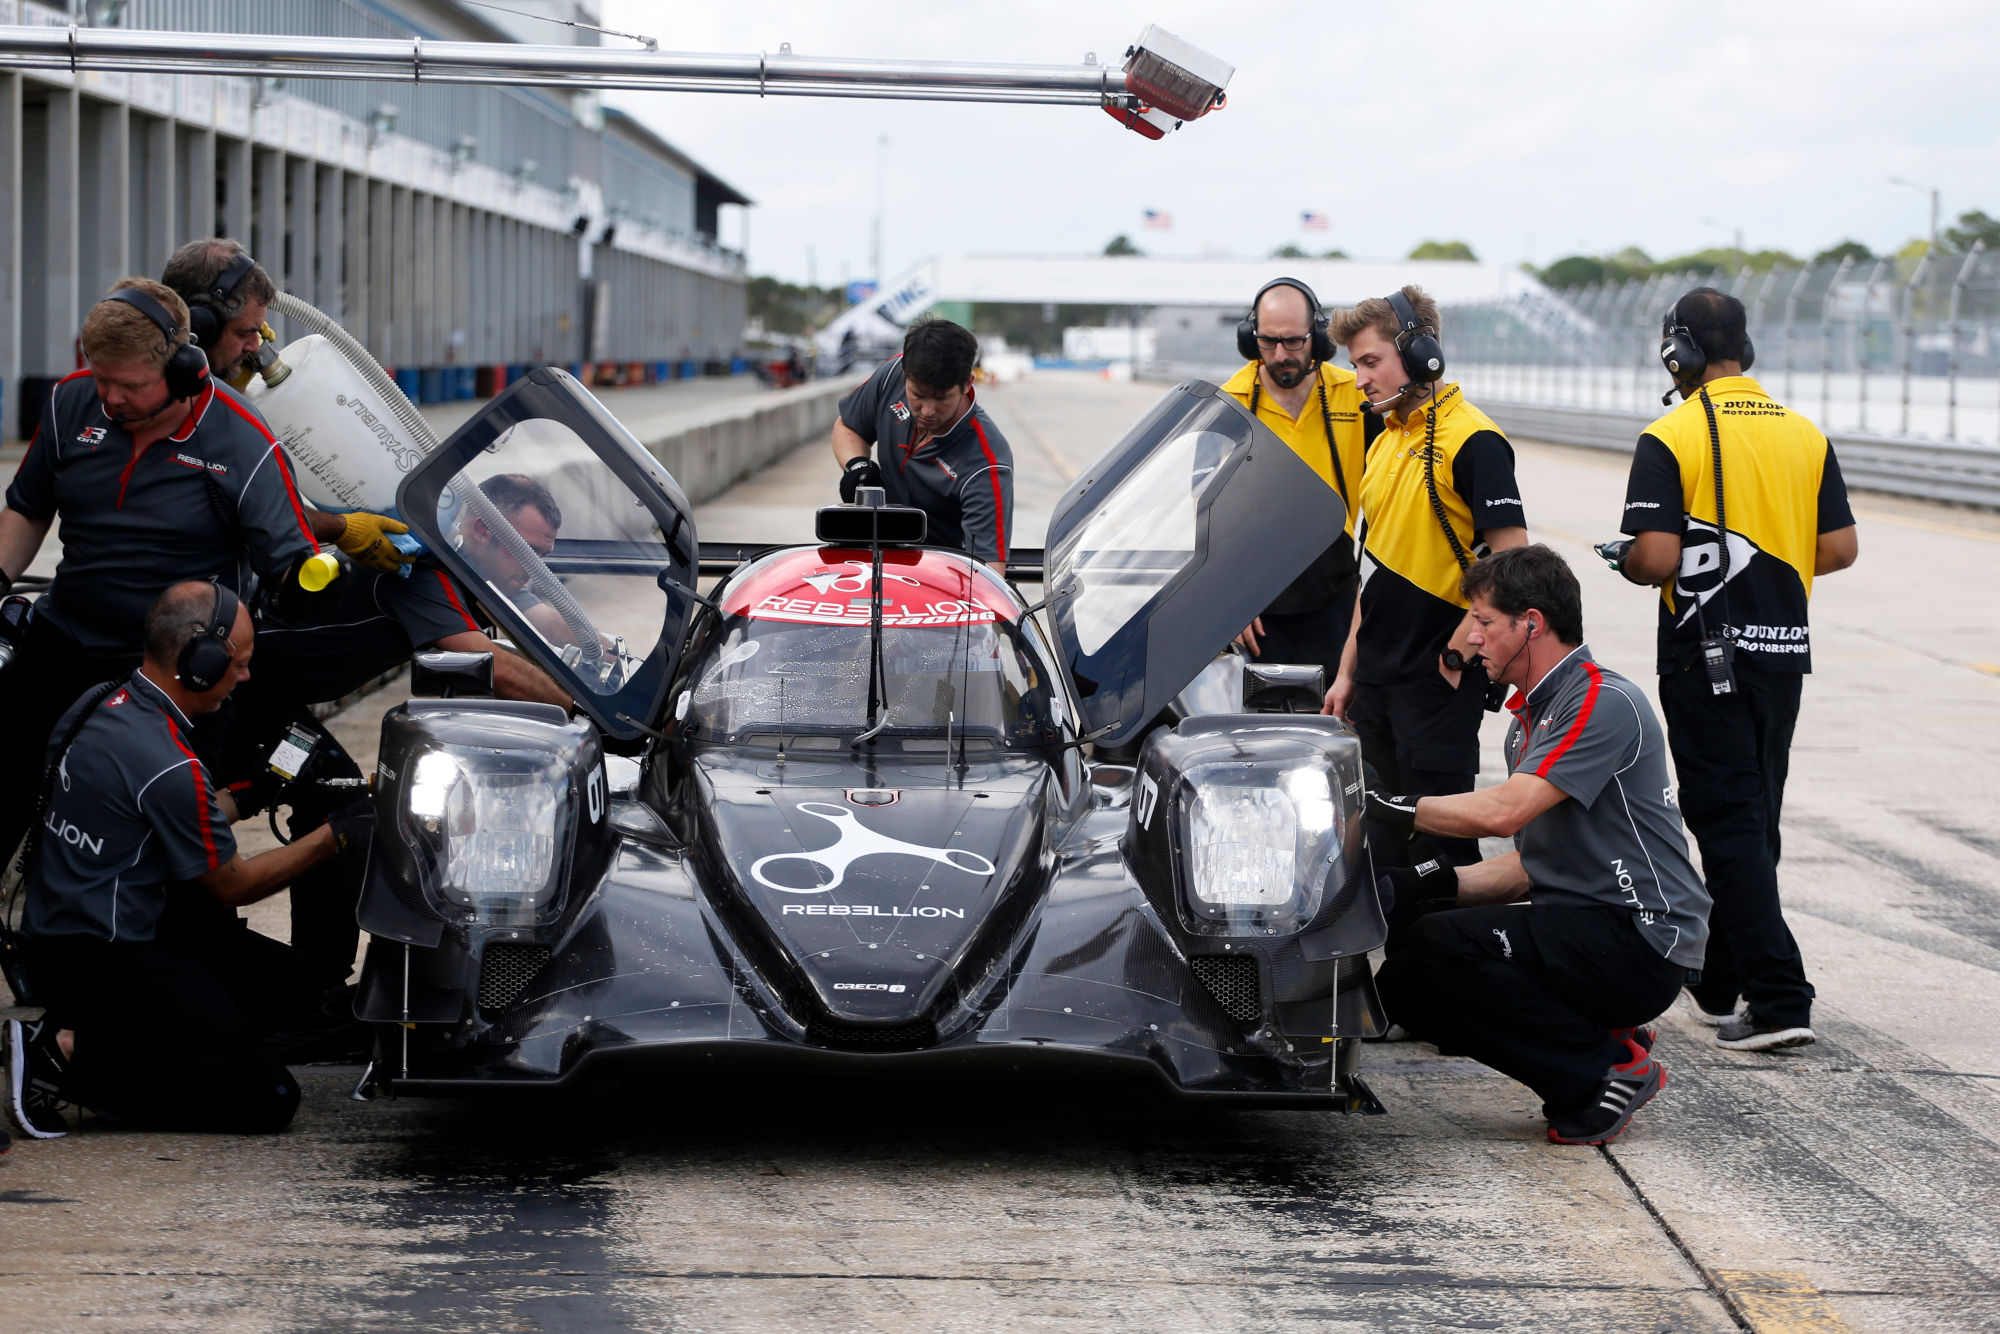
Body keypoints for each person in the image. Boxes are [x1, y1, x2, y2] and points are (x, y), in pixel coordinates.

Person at [1, 582, 371, 1139]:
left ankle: (162, 1037)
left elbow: (164, 814)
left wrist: (253, 792)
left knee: (303, 993)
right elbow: (233, 885)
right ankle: (60, 1056)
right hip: (110, 955)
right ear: (200, 664)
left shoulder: (102, 702)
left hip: (66, 932)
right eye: (239, 665)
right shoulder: (169, 763)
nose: (245, 677)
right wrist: (339, 834)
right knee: (267, 1099)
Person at [1368, 545, 1709, 1146]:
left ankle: (1598, 1073)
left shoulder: (1599, 700)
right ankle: (1598, 1040)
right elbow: (1529, 867)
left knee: (1444, 949)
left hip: (1642, 937)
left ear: (1531, 624)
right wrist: (1414, 885)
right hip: (1586, 924)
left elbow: (1504, 813)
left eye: (1483, 621)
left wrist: (1393, 807)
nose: (1472, 638)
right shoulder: (1533, 719)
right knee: (1405, 982)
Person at [1596, 287, 1857, 1052]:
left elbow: (1657, 557)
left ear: (1679, 353)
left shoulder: (1672, 433)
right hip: (1783, 653)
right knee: (1754, 816)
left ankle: (1780, 997)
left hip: (1704, 649)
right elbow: (1838, 549)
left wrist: (1631, 562)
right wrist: (1769, 566)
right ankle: (1719, 975)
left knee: (1726, 819)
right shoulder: (1804, 434)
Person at [0, 279, 329, 862]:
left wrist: (305, 581)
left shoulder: (243, 440)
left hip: (169, 676)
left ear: (183, 373)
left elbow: (291, 564)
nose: (108, 398)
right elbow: (27, 508)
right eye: (99, 377)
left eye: (127, 385)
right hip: (65, 640)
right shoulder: (69, 402)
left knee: (161, 846)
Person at [1322, 286, 1529, 867]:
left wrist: (1458, 660)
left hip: (1437, 684)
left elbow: (1514, 563)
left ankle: (1458, 957)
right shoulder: (1385, 441)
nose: (1359, 379)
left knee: (1443, 846)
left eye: (1370, 362)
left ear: (1420, 356)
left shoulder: (1475, 439)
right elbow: (1373, 568)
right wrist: (1346, 673)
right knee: (1375, 845)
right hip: (1376, 686)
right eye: (1354, 365)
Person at [160, 238, 412, 576]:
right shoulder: (150, 399)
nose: (256, 344)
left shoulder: (201, 394)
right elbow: (243, 507)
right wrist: (340, 527)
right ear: (200, 326)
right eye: (245, 332)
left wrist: (227, 384)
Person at [1221, 278, 1377, 684]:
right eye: (1268, 341)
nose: (1280, 355)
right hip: (1255, 606)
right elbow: (1206, 516)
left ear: (1319, 338)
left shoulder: (1357, 397)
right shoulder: (1227, 404)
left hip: (1337, 598)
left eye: (1293, 342)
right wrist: (1229, 600)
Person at [830, 318, 1013, 576]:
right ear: (906, 373)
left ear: (968, 383)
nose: (927, 411)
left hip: (939, 578)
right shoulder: (891, 376)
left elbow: (988, 572)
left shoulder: (986, 463)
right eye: (917, 394)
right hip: (875, 559)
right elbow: (848, 427)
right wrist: (858, 467)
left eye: (942, 398)